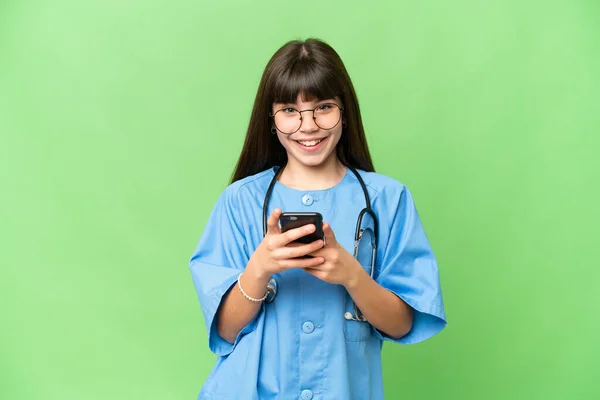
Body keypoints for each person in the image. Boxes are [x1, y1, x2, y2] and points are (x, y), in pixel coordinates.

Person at [189, 38, 446, 400]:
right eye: (290, 111)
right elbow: (227, 332)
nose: (307, 125)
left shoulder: (388, 200)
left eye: (323, 107)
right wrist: (259, 268)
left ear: (345, 112)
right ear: (272, 119)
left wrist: (352, 276)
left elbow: (403, 325)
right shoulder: (240, 201)